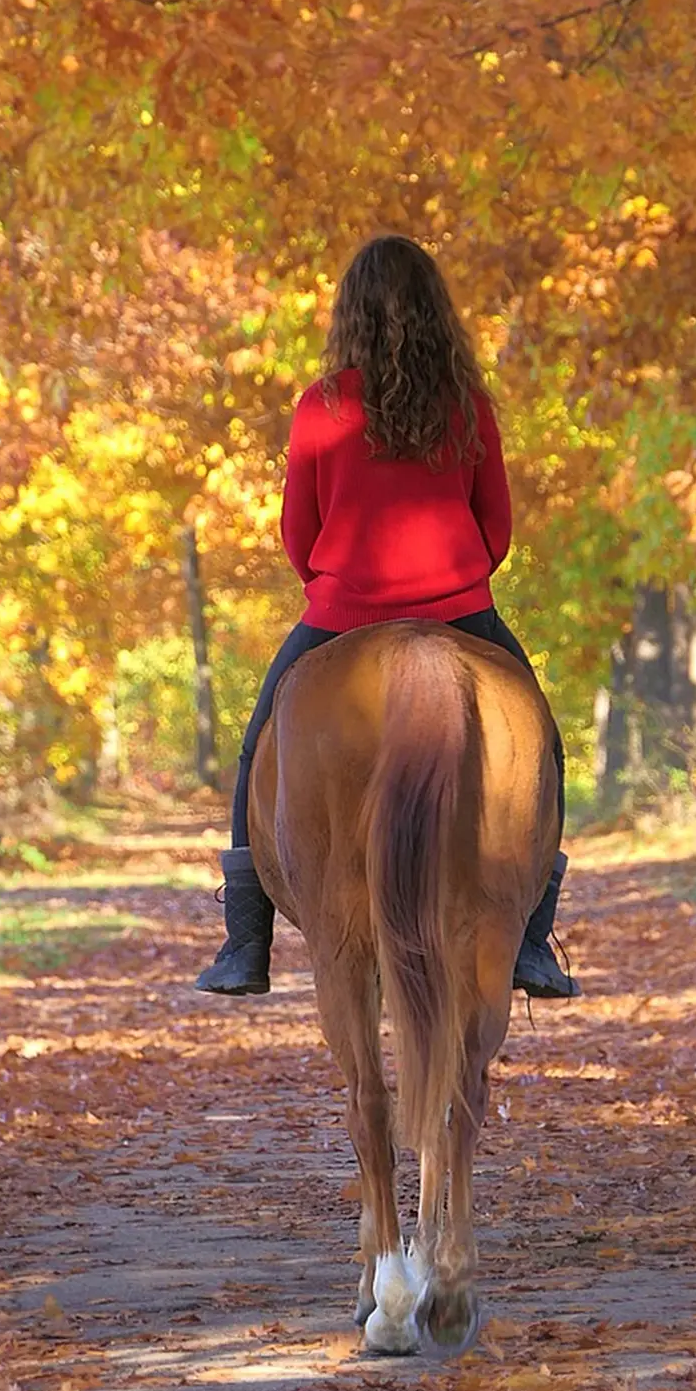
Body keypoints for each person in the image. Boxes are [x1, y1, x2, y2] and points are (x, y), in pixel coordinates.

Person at [196, 234, 579, 1002]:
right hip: (462, 611)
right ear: (438, 314)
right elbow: (495, 527)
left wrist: (341, 586)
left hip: (343, 614)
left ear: (351, 314)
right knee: (543, 746)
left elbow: (297, 535)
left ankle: (247, 942)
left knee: (255, 746)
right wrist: (451, 583)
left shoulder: (322, 407)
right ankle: (533, 940)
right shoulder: (468, 406)